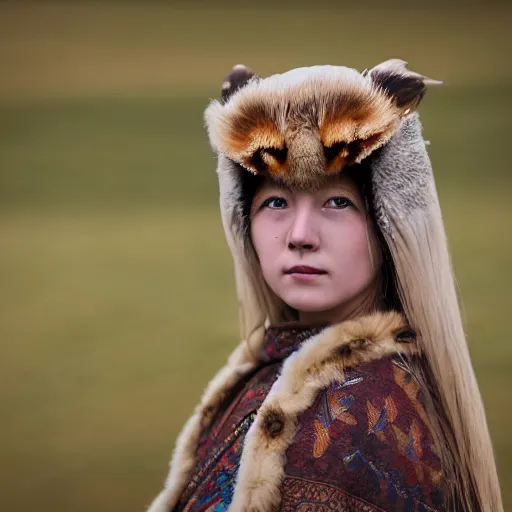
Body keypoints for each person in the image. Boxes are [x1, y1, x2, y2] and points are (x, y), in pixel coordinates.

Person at [147, 60, 503, 511]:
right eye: (276, 201)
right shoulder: (262, 373)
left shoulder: (361, 417)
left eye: (337, 202)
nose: (299, 235)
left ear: (386, 223)